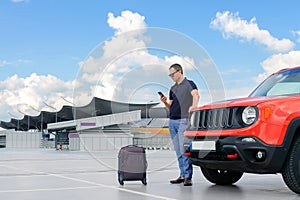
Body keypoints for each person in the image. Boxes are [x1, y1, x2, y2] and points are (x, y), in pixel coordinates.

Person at [160, 63, 200, 186]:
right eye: (169, 75)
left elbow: (196, 95)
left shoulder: (190, 84)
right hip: (172, 121)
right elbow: (170, 107)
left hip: (183, 120)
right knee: (178, 150)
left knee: (183, 149)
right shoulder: (173, 88)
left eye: (172, 74)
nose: (171, 76)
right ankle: (182, 175)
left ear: (180, 71)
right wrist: (165, 102)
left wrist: (193, 108)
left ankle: (188, 176)